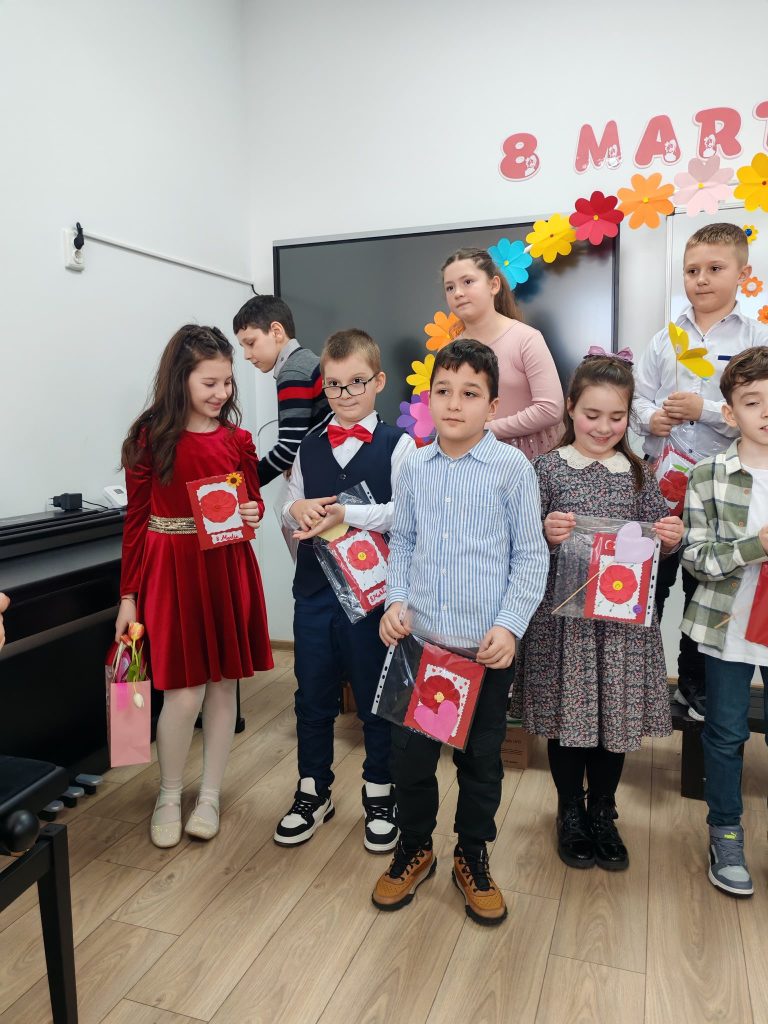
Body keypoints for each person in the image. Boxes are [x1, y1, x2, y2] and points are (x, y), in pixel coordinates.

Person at [372, 339, 549, 926]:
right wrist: (396, 601)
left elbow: (530, 556)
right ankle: (415, 846)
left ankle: (472, 854)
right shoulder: (413, 467)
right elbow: (404, 543)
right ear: (428, 399)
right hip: (420, 646)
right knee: (410, 760)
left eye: (470, 393)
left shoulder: (512, 470)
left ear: (493, 406)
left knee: (481, 763)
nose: (454, 404)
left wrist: (510, 625)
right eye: (443, 391)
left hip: (483, 652)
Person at [513, 352, 683, 872]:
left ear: (629, 416)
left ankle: (603, 811)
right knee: (568, 719)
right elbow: (520, 543)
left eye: (616, 416)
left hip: (622, 628)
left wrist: (670, 539)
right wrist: (545, 533)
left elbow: (658, 544)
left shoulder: (639, 473)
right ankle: (570, 810)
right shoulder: (545, 468)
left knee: (614, 718)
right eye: (592, 414)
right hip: (562, 624)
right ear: (570, 408)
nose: (603, 427)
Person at [116, 325, 273, 848]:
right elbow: (136, 521)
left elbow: (251, 506)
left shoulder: (237, 441)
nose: (222, 393)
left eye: (227, 382)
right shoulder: (150, 438)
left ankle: (209, 794)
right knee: (182, 695)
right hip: (171, 570)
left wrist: (252, 511)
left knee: (223, 686)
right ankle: (168, 793)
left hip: (225, 567)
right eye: (210, 383)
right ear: (180, 379)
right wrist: (128, 596)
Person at [276, 328, 414, 851]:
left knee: (376, 696)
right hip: (314, 592)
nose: (345, 394)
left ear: (378, 381)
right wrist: (295, 508)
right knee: (311, 695)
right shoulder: (308, 444)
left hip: (373, 600)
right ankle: (313, 790)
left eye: (356, 382)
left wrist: (348, 513)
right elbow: (288, 505)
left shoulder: (400, 446)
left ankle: (380, 791)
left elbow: (407, 515)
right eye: (334, 385)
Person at [633, 223, 768, 722]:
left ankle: (694, 687)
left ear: (743, 274)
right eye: (692, 271)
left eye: (715, 268)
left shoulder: (756, 338)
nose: (702, 279)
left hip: (722, 489)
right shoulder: (664, 338)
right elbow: (638, 397)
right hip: (663, 484)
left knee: (705, 588)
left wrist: (704, 409)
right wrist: (651, 418)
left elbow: (755, 407)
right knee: (653, 584)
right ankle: (642, 685)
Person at [681, 346, 768, 898]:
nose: (766, 412)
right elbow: (696, 559)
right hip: (727, 628)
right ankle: (726, 832)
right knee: (726, 732)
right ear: (730, 413)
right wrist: (755, 546)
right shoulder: (709, 474)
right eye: (753, 401)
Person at [442, 246, 564, 459]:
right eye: (450, 287)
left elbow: (550, 409)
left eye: (468, 282)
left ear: (494, 285)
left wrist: (486, 429)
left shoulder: (526, 339)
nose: (458, 293)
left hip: (531, 456)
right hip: (474, 456)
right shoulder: (450, 351)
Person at [233, 295, 331, 486]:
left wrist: (245, 483)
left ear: (276, 332)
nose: (246, 355)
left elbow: (288, 449)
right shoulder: (306, 360)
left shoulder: (293, 372)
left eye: (250, 343)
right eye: (243, 347)